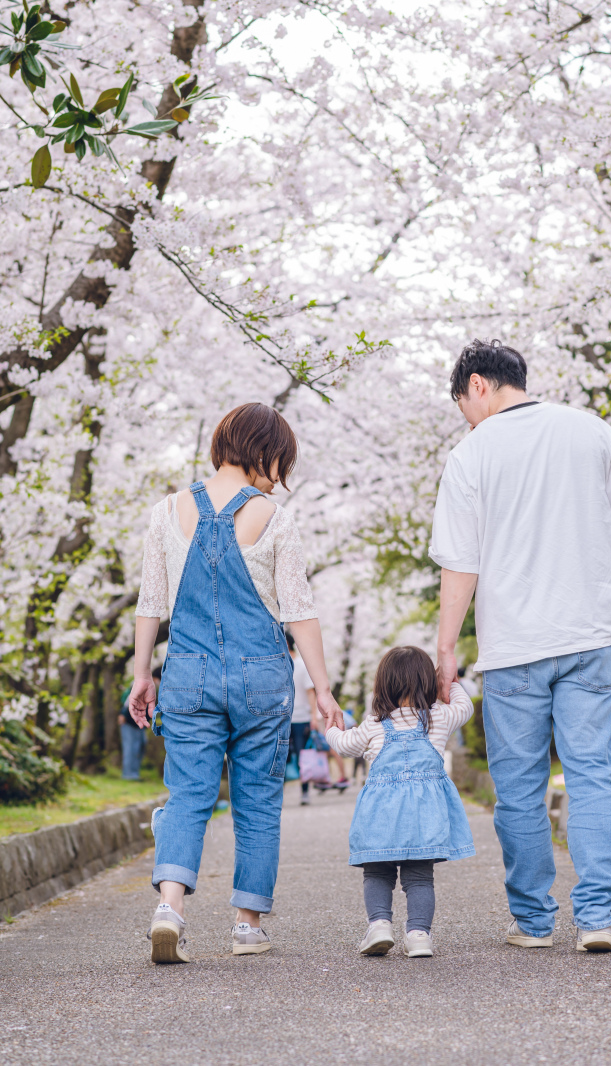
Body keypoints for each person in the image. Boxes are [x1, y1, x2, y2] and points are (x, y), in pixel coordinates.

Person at [431, 340, 611, 954]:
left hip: (512, 648)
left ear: (477, 385)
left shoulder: (470, 455)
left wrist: (447, 648)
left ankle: (533, 922)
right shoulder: (592, 432)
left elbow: (460, 563)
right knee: (591, 775)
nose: (466, 419)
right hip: (590, 638)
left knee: (521, 789)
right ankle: (597, 917)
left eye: (462, 405)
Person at [129, 402, 344, 963]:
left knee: (188, 797)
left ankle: (169, 908)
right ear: (264, 451)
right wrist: (321, 689)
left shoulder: (167, 511)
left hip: (188, 674)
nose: (280, 479)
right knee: (257, 801)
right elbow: (299, 609)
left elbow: (151, 603)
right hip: (261, 677)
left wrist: (141, 675)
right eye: (280, 464)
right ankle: (247, 924)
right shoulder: (272, 517)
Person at [326, 646, 475, 958]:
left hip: (381, 815)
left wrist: (331, 728)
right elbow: (465, 708)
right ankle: (419, 935)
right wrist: (452, 682)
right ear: (429, 685)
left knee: (377, 872)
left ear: (384, 685)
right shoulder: (439, 717)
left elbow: (344, 745)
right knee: (419, 878)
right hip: (425, 816)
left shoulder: (373, 724)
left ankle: (379, 925)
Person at [286, 631, 316, 806]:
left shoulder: (301, 665)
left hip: (300, 719)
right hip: (284, 719)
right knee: (281, 758)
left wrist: (313, 716)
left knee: (302, 758)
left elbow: (310, 692)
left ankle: (305, 792)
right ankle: (280, 795)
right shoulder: (280, 664)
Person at [119, 684, 147, 780]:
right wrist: (123, 714)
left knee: (139, 748)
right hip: (129, 722)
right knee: (130, 748)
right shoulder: (140, 684)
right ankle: (128, 774)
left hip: (140, 724)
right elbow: (128, 702)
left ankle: (134, 773)